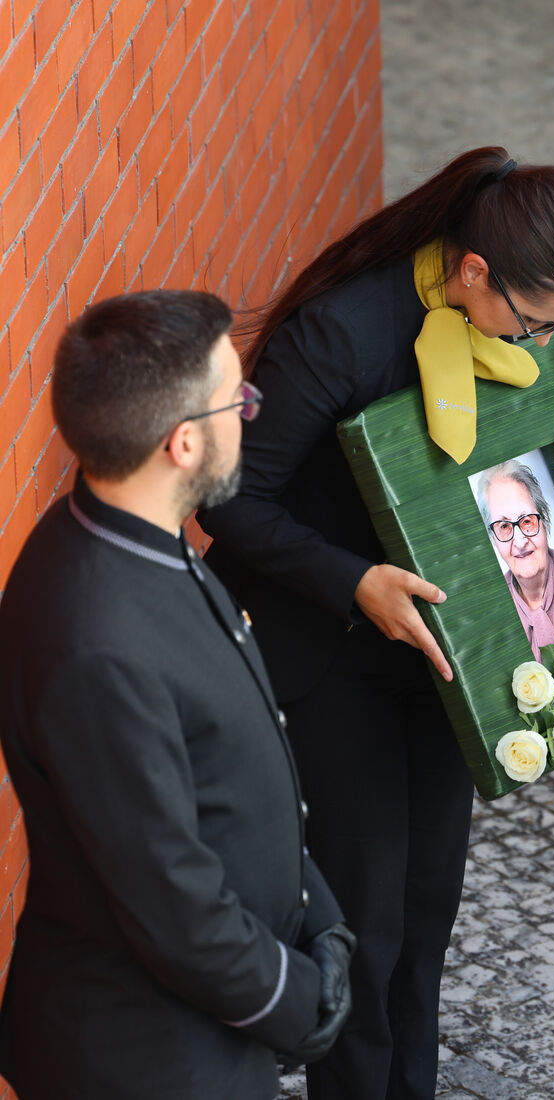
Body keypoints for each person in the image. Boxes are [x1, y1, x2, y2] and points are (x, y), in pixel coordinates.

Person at [197, 145, 554, 1100]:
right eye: (541, 323)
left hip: (443, 654)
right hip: (337, 652)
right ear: (475, 272)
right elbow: (229, 499)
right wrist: (354, 583)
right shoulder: (343, 334)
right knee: (369, 929)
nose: (546, 348)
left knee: (427, 920)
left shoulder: (510, 333)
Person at [0, 291, 355, 1100]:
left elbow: (235, 776)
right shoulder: (97, 645)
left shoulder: (126, 534)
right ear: (184, 441)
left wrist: (319, 918)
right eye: (241, 399)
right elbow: (173, 905)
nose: (250, 415)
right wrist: (301, 1001)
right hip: (146, 1061)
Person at [477, 459, 554, 656]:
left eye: (526, 521)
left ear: (544, 518)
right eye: (503, 526)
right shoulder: (492, 608)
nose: (519, 541)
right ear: (493, 538)